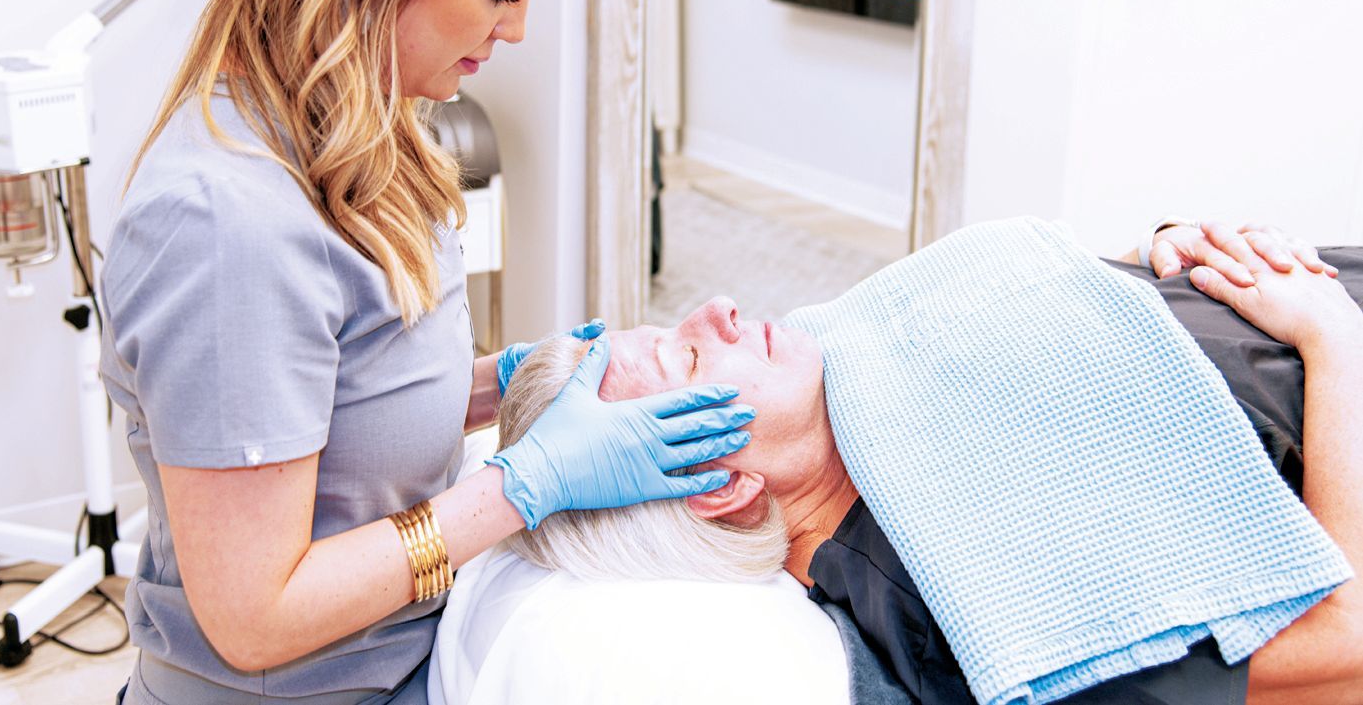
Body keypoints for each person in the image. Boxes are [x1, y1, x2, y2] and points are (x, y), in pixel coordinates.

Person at [97, 0, 756, 702]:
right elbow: (255, 618)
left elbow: (337, 405)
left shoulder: (368, 142)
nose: (516, 29)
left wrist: (509, 380)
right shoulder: (225, 223)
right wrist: (524, 485)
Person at [491, 221, 1363, 705]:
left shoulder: (845, 346)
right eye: (686, 356)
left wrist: (1166, 247)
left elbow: (1057, 296)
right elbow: (1342, 645)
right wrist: (1331, 339)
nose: (716, 307)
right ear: (722, 485)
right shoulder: (949, 603)